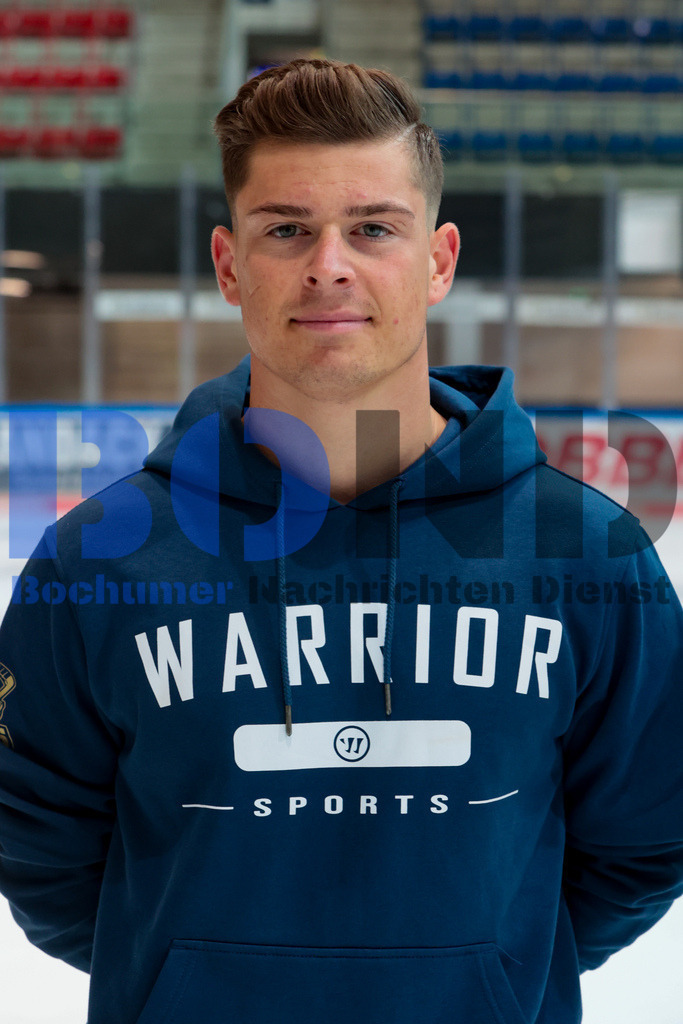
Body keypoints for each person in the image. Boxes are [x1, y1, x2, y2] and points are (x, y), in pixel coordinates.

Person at [1, 57, 683, 1024]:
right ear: (231, 265)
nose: (329, 263)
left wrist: (479, 973)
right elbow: (40, 855)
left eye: (372, 228)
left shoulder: (587, 551)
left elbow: (646, 842)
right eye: (286, 229)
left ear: (439, 260)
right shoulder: (97, 559)